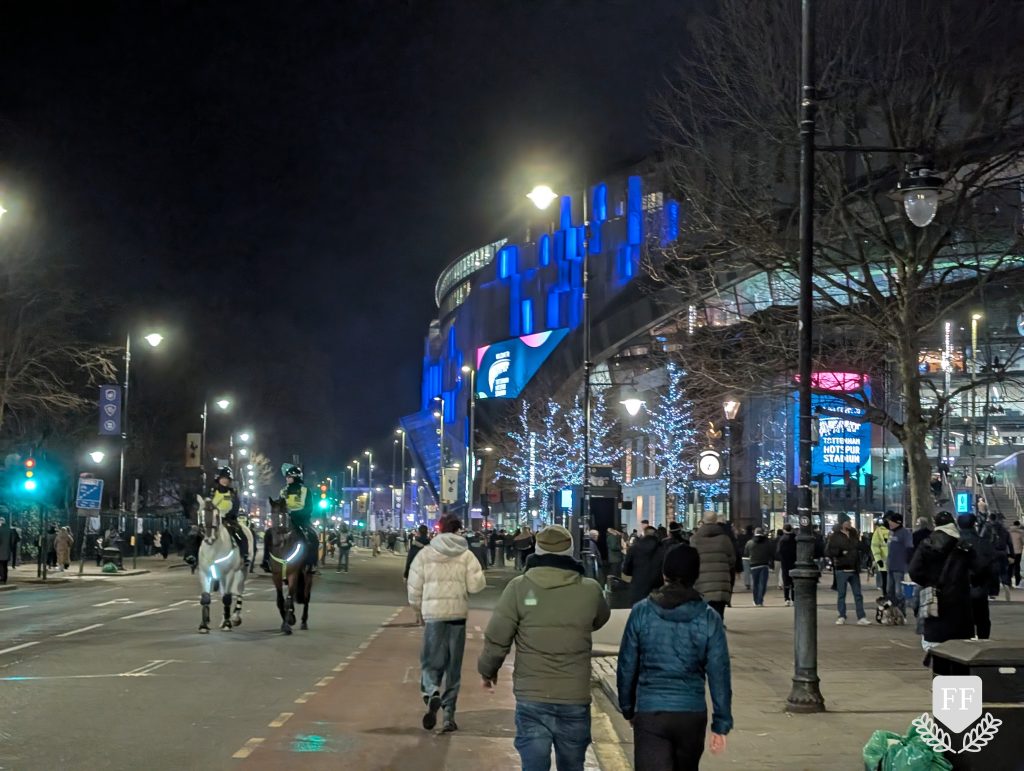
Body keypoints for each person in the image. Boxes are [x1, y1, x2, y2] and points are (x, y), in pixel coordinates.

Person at [479, 525, 610, 771]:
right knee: (573, 764)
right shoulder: (590, 589)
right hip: (574, 694)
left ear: (537, 550)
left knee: (534, 764)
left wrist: (488, 670)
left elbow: (498, 636)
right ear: (570, 551)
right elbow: (600, 619)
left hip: (532, 694)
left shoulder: (518, 587)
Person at [617, 544, 732, 770]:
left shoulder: (642, 611)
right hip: (691, 713)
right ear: (695, 576)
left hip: (650, 711)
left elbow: (627, 665)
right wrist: (721, 723)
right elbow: (719, 673)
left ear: (664, 574)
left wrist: (628, 707)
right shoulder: (709, 618)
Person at [407, 516, 486, 734]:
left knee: (430, 661)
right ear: (459, 530)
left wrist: (417, 610)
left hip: (434, 616)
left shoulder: (425, 554)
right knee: (453, 668)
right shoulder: (466, 554)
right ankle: (449, 716)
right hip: (457, 615)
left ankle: (432, 692)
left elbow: (414, 587)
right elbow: (476, 585)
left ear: (440, 529)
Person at [910, 512, 990, 662]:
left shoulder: (926, 544)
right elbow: (980, 569)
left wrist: (929, 583)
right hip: (959, 602)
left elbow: (914, 571)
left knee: (935, 641)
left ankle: (938, 669)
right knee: (959, 646)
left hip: (934, 601)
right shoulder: (964, 546)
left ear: (936, 525)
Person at [956, 513, 997, 639]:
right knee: (982, 618)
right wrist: (993, 588)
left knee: (960, 619)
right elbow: (992, 566)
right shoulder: (983, 543)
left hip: (957, 588)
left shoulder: (953, 543)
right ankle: (983, 641)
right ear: (974, 524)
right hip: (979, 587)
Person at [825, 513, 871, 625]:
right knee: (842, 594)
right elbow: (828, 551)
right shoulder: (835, 536)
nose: (850, 523)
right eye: (848, 522)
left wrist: (864, 546)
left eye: (850, 521)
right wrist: (840, 553)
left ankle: (861, 617)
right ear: (842, 523)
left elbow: (859, 546)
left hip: (854, 568)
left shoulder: (853, 534)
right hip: (841, 568)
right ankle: (841, 615)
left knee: (858, 594)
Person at [690, 512, 736, 619]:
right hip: (721, 584)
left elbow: (692, 561)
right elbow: (732, 560)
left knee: (703, 617)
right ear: (716, 521)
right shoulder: (724, 539)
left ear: (703, 520)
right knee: (718, 616)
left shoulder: (695, 539)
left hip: (701, 584)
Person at [279, 465, 319, 570]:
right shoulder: (283, 491)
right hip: (286, 520)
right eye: (286, 477)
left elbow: (309, 507)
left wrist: (297, 514)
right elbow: (280, 506)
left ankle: (312, 563)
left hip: (302, 520)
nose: (287, 479)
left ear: (296, 477)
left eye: (289, 477)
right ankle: (268, 560)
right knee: (271, 536)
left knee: (313, 537)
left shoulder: (305, 491)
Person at [210, 467, 249, 566]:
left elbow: (236, 505)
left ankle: (244, 555)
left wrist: (229, 515)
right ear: (219, 479)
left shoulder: (232, 493)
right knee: (197, 534)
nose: (224, 480)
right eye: (223, 478)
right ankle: (193, 556)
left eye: (226, 479)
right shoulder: (212, 492)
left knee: (241, 535)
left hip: (228, 520)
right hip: (213, 520)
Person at [622, 526, 666, 606]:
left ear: (644, 534)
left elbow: (626, 570)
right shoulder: (663, 549)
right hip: (657, 589)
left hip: (638, 588)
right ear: (656, 535)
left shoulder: (634, 548)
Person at [884, 512, 913, 614]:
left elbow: (909, 548)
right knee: (889, 591)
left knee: (899, 592)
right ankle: (892, 613)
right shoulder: (891, 533)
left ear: (898, 522)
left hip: (900, 567)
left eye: (891, 521)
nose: (889, 523)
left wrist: (907, 564)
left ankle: (901, 613)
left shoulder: (905, 533)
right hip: (890, 566)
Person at [980, 512, 1012, 601]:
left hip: (991, 554)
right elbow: (1010, 543)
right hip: (1002, 553)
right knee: (1003, 571)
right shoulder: (1004, 530)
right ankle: (1006, 585)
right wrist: (1011, 555)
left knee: (992, 573)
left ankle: (992, 594)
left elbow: (981, 540)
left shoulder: (986, 527)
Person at [744, 528, 773, 607]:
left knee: (755, 584)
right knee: (763, 584)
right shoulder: (767, 542)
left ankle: (755, 600)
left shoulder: (749, 542)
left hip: (753, 565)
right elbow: (771, 552)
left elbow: (746, 553)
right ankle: (760, 600)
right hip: (764, 565)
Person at [775, 524, 797, 605]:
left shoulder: (782, 539)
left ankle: (786, 599)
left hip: (785, 563)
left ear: (784, 530)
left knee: (786, 581)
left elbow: (779, 551)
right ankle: (794, 599)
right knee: (794, 581)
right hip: (794, 562)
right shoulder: (795, 538)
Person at [871, 517, 891, 595]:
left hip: (892, 562)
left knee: (890, 582)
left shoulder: (896, 531)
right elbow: (874, 546)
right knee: (885, 581)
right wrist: (878, 559)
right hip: (884, 562)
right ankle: (886, 596)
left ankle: (888, 596)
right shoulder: (879, 531)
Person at [736, 525, 754, 590]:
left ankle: (747, 584)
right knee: (754, 570)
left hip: (744, 556)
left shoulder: (741, 537)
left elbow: (738, 545)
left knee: (746, 571)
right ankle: (755, 582)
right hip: (753, 556)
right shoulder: (754, 538)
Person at [1009, 520, 1024, 588]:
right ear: (1018, 525)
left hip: (1010, 552)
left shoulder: (1009, 532)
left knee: (1010, 567)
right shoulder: (1021, 532)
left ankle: (1009, 582)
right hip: (1018, 552)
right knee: (1017, 566)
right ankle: (1017, 583)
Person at [0, 517, 12, 584]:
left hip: (0, 550)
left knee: (1, 565)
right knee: (5, 565)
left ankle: (2, 578)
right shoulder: (9, 530)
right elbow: (13, 541)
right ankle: (5, 578)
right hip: (7, 551)